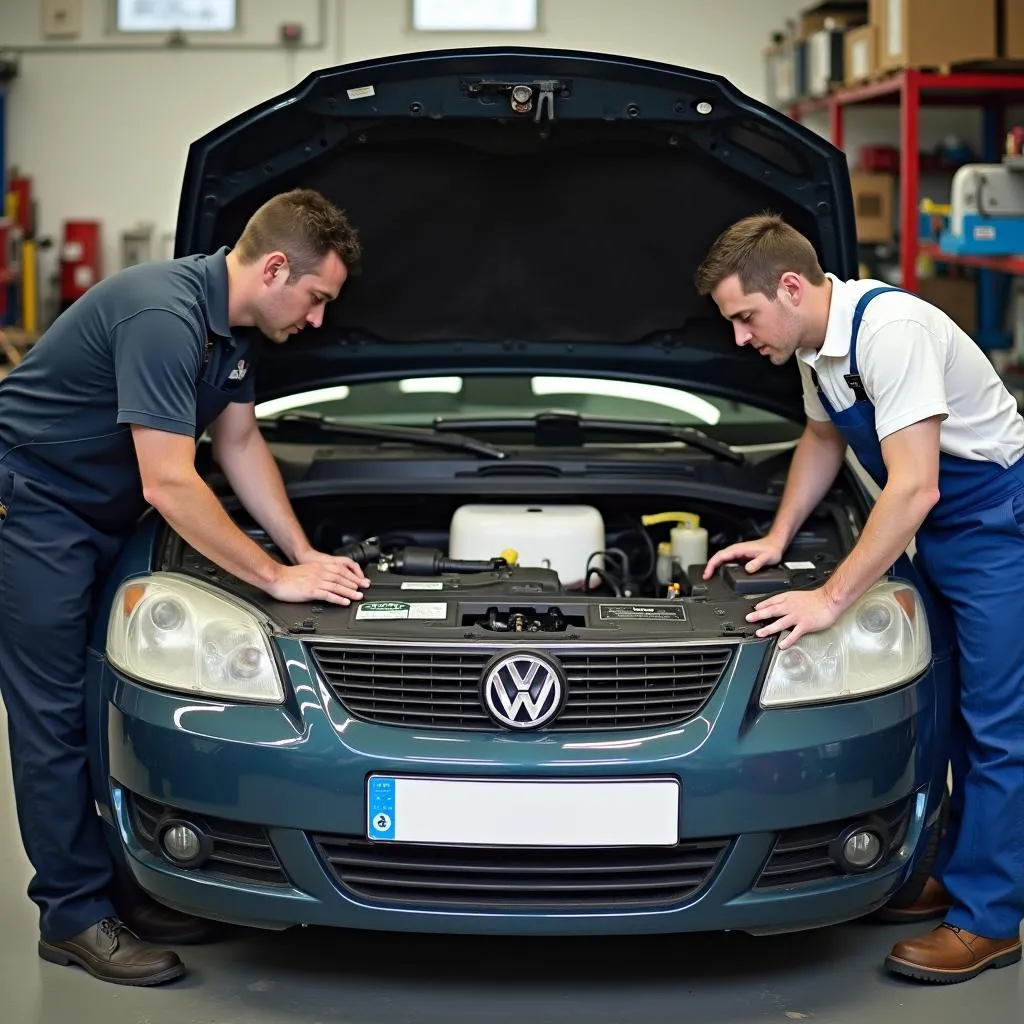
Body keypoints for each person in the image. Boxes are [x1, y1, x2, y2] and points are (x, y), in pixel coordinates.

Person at [0, 188, 372, 986]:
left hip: (101, 510)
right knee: (54, 715)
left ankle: (119, 892)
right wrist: (273, 575)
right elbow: (171, 482)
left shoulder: (231, 332)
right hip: (31, 508)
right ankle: (71, 916)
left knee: (107, 699)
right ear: (275, 267)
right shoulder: (161, 316)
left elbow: (238, 441)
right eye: (315, 299)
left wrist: (308, 557)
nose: (316, 321)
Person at [695, 213, 1024, 985]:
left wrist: (831, 598)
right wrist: (778, 540)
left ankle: (992, 918)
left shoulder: (890, 332)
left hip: (991, 524)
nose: (743, 339)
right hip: (933, 529)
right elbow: (823, 440)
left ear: (790, 286)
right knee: (939, 705)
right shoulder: (817, 349)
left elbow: (914, 486)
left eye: (746, 318)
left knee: (999, 723)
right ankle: (949, 870)